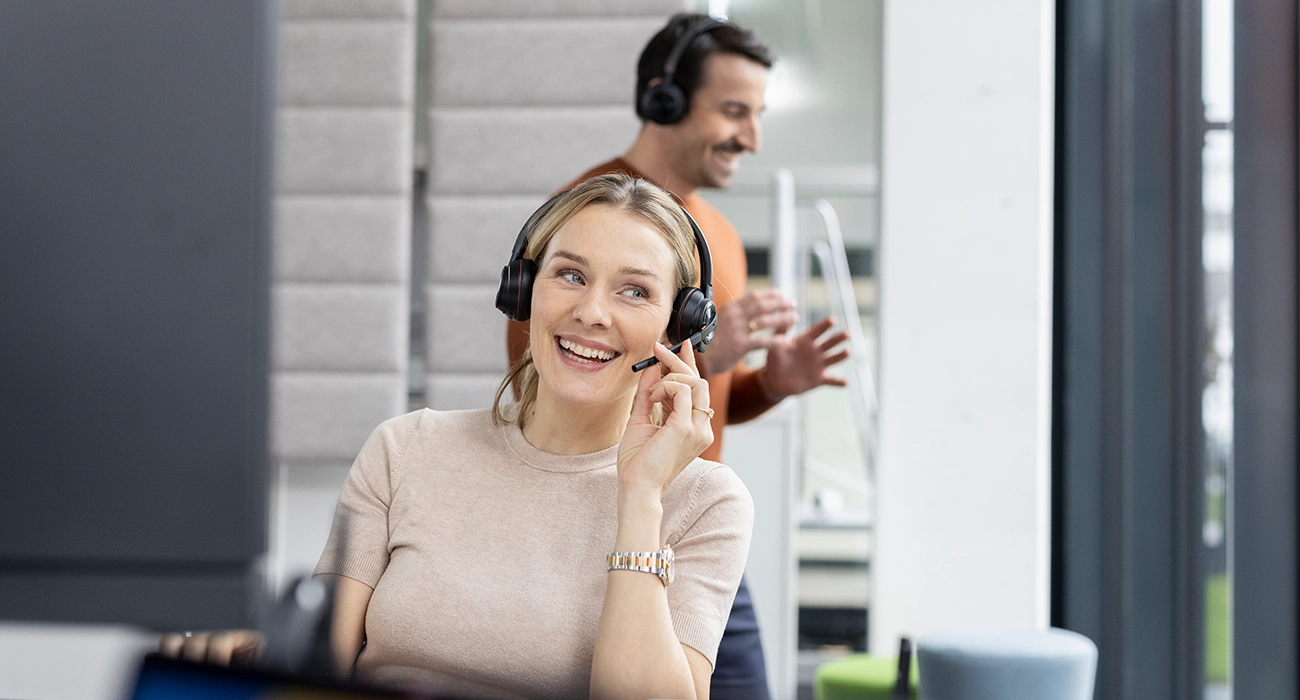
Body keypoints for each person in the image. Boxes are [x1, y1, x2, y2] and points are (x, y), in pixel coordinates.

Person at [161, 174, 754, 700]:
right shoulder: (407, 449)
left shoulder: (705, 502)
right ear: (524, 289)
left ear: (680, 326)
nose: (592, 312)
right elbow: (321, 666)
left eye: (634, 291)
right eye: (569, 274)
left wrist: (641, 494)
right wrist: (245, 651)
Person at [506, 13, 850, 700]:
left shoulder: (717, 232)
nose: (751, 137)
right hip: (600, 518)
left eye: (755, 115)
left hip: (692, 516)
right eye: (732, 111)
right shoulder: (587, 216)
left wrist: (766, 384)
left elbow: (704, 401)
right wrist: (714, 351)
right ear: (664, 99)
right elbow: (542, 382)